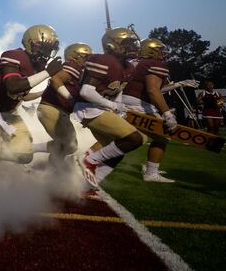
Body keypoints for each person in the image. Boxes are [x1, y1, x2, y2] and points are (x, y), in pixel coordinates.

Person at [0, 25, 63, 179]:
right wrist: (48, 72)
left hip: (9, 112)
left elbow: (21, 95)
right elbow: (13, 86)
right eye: (42, 48)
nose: (45, 54)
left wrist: (44, 92)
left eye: (49, 50)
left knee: (25, 155)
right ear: (29, 43)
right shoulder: (14, 55)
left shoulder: (38, 66)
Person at [75, 27, 145, 188]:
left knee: (119, 150)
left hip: (102, 108)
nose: (132, 46)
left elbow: (118, 90)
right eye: (127, 43)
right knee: (136, 139)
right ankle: (88, 160)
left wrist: (117, 107)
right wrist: (112, 105)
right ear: (112, 44)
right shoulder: (103, 59)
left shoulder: (129, 67)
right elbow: (86, 91)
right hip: (88, 108)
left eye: (133, 43)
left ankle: (90, 185)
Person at [121, 38, 178, 183]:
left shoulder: (138, 63)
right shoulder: (155, 64)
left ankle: (90, 159)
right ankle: (151, 173)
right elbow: (153, 91)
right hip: (138, 105)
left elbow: (152, 89)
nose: (163, 52)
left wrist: (177, 85)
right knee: (163, 136)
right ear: (152, 50)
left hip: (125, 102)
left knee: (123, 137)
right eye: (160, 49)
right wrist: (168, 114)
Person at [37, 42, 92, 169]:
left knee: (68, 146)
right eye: (86, 56)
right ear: (74, 56)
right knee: (68, 144)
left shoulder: (79, 71)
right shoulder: (72, 66)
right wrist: (69, 98)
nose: (88, 60)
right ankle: (31, 151)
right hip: (52, 108)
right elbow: (55, 79)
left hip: (58, 110)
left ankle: (48, 169)